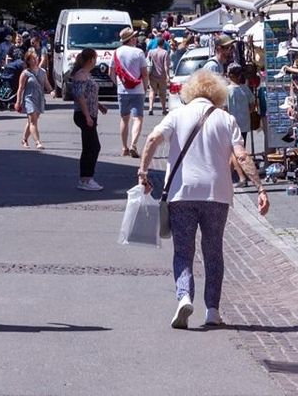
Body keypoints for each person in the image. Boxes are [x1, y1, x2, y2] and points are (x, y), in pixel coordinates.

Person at [136, 70, 269, 329]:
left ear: (190, 91)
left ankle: (184, 296)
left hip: (182, 193)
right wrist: (260, 187)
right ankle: (212, 310)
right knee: (213, 251)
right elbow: (241, 156)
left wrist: (143, 171)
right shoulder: (226, 119)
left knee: (183, 251)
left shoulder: (177, 115)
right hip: (217, 194)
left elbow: (152, 139)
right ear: (217, 93)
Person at [68, 48, 108, 191]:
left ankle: (85, 178)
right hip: (84, 114)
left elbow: (89, 95)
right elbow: (80, 97)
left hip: (91, 113)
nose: (96, 61)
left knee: (89, 147)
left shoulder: (86, 74)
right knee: (93, 147)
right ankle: (87, 179)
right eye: (95, 58)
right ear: (91, 59)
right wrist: (87, 116)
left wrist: (99, 106)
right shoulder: (81, 75)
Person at [113, 26, 148, 158]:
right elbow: (144, 73)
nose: (136, 38)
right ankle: (133, 144)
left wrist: (118, 83)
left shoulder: (116, 52)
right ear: (131, 39)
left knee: (124, 119)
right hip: (137, 90)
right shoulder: (139, 52)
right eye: (134, 37)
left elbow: (111, 72)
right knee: (138, 118)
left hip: (122, 90)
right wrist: (145, 87)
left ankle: (124, 148)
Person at [14, 50, 52, 150]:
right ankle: (38, 142)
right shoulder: (25, 73)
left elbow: (47, 83)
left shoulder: (42, 72)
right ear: (28, 61)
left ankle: (24, 139)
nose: (35, 60)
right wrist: (18, 102)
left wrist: (51, 91)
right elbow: (20, 88)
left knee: (32, 120)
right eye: (33, 59)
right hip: (29, 99)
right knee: (33, 122)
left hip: (39, 99)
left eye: (36, 58)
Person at [146, 36, 170, 117]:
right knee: (162, 93)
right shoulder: (165, 53)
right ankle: (163, 109)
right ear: (163, 44)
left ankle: (150, 108)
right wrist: (167, 75)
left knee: (152, 91)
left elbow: (147, 63)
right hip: (162, 76)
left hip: (152, 75)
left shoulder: (151, 52)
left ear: (157, 43)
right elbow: (166, 65)